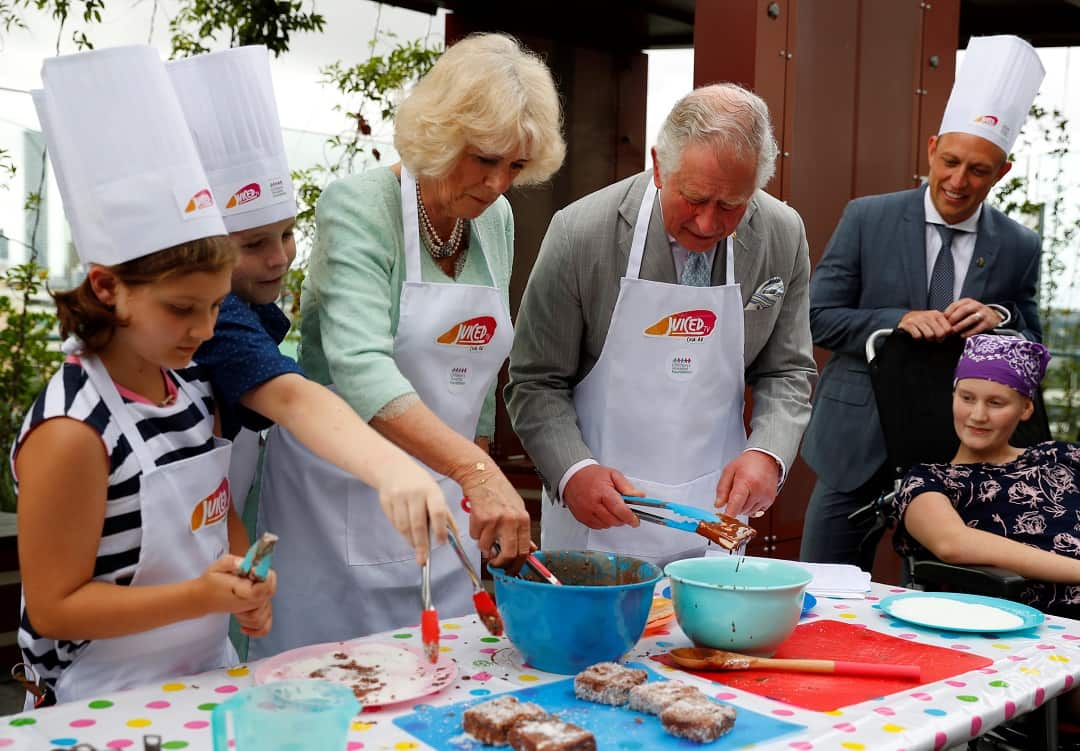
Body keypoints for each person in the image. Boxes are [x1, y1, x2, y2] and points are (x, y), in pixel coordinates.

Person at [251, 32, 565, 657]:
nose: (499, 183)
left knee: (444, 678)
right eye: (485, 159)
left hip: (444, 503)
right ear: (443, 133)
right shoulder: (360, 206)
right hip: (336, 499)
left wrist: (474, 470)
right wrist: (476, 471)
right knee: (341, 686)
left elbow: (475, 368)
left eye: (516, 167)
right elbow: (360, 367)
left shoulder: (493, 220)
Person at [13, 46, 274, 707]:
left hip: (205, 679)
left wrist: (246, 580)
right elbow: (54, 606)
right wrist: (196, 596)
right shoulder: (73, 430)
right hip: (96, 700)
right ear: (106, 286)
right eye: (181, 309)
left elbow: (217, 523)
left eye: (216, 306)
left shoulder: (190, 392)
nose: (204, 329)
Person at [505, 83, 816, 567]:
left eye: (733, 205)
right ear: (658, 165)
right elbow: (535, 380)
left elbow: (787, 371)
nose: (709, 224)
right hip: (599, 519)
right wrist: (572, 471)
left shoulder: (783, 232)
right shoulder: (582, 232)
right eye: (694, 198)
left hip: (717, 517)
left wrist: (768, 455)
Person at [168, 46, 450, 563]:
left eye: (288, 234)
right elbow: (293, 399)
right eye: (253, 245)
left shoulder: (244, 309)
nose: (280, 259)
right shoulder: (219, 318)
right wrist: (394, 467)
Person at [800, 35, 1046, 571]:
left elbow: (1032, 340)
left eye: (978, 170)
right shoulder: (867, 218)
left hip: (956, 448)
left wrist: (999, 319)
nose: (958, 181)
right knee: (825, 585)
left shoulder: (1020, 245)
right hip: (856, 444)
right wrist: (899, 320)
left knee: (949, 595)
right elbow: (817, 316)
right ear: (931, 149)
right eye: (951, 161)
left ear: (1002, 172)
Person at [893, 335, 1080, 617]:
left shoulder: (1061, 455)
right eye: (967, 398)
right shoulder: (929, 481)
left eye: (995, 403)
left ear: (1026, 408)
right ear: (953, 397)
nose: (978, 415)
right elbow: (951, 544)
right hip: (1040, 621)